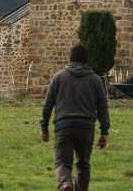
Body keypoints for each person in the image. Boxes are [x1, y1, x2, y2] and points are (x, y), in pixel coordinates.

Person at [41, 43, 110, 191]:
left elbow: (47, 104)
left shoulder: (58, 77)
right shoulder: (96, 80)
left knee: (61, 163)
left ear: (70, 59)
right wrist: (104, 131)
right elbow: (103, 107)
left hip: (63, 126)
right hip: (86, 128)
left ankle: (65, 183)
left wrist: (44, 127)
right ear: (87, 60)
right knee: (83, 164)